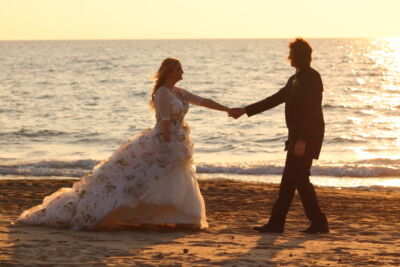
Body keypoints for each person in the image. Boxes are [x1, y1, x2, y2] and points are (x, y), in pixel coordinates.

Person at [17, 58, 229, 230]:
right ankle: (150, 216)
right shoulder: (163, 93)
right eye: (179, 70)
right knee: (147, 178)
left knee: (173, 177)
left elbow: (203, 101)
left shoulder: (180, 92)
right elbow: (164, 120)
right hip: (165, 141)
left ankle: (180, 216)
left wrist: (228, 109)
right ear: (169, 72)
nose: (182, 73)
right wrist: (167, 144)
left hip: (179, 141)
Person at [228, 38, 329, 234]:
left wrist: (302, 141)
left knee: (297, 179)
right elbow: (275, 99)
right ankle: (282, 223)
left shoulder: (312, 78)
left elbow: (312, 111)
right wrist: (244, 110)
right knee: (292, 180)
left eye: (291, 53)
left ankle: (315, 222)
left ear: (298, 56)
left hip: (307, 137)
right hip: (296, 137)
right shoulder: (294, 79)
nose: (288, 57)